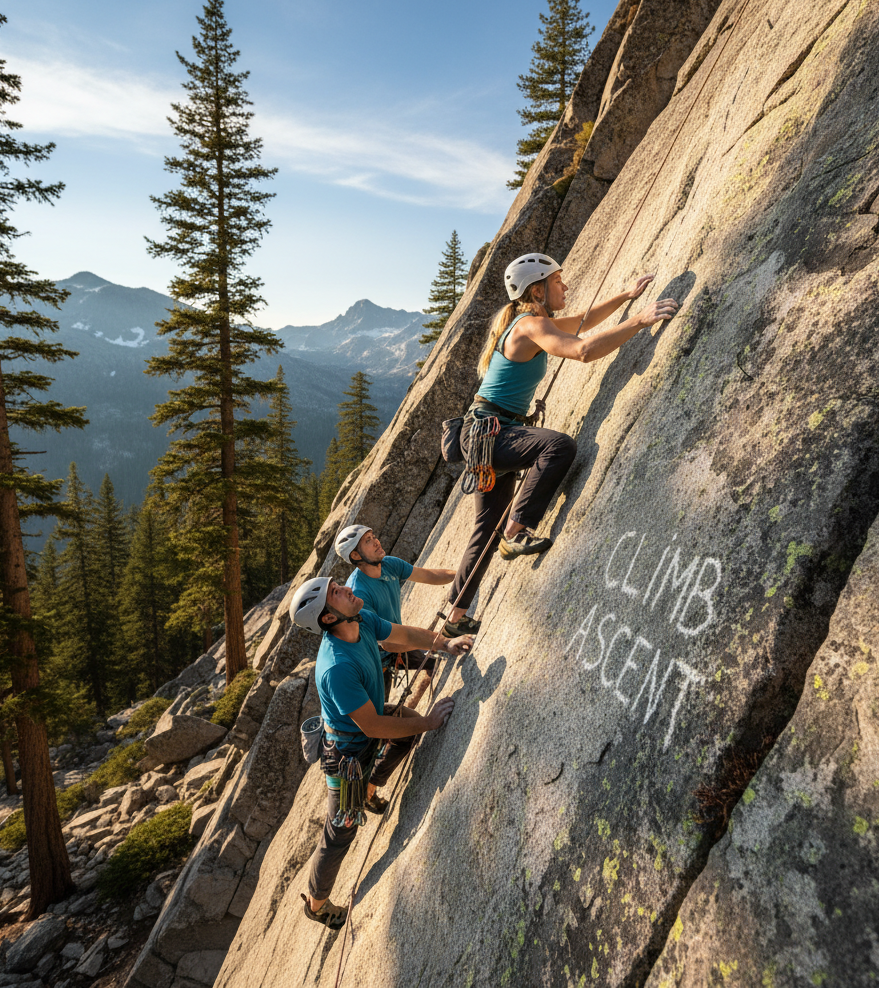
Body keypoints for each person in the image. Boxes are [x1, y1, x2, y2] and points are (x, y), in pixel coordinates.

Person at [443, 253, 679, 637]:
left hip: (483, 435)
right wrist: (640, 320)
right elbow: (583, 350)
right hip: (490, 434)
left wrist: (625, 296)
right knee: (558, 447)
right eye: (558, 281)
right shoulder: (530, 325)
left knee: (484, 528)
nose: (565, 286)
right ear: (538, 289)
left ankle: (454, 617)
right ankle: (516, 533)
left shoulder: (530, 323)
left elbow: (583, 322)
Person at [291, 576, 473, 931]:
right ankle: (316, 903)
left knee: (405, 733)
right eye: (336, 593)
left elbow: (403, 635)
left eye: (338, 585)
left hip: (367, 725)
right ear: (328, 618)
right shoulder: (336, 667)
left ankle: (371, 791)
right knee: (341, 829)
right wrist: (429, 724)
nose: (346, 589)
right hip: (348, 757)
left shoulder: (358, 620)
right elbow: (373, 728)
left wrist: (444, 644)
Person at [336, 524, 454, 710]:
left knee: (435, 660)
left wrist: (462, 573)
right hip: (373, 662)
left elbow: (428, 575)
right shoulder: (359, 593)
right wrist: (431, 641)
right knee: (378, 714)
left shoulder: (389, 564)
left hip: (394, 644)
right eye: (368, 541)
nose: (376, 541)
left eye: (373, 536)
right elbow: (387, 643)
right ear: (356, 556)